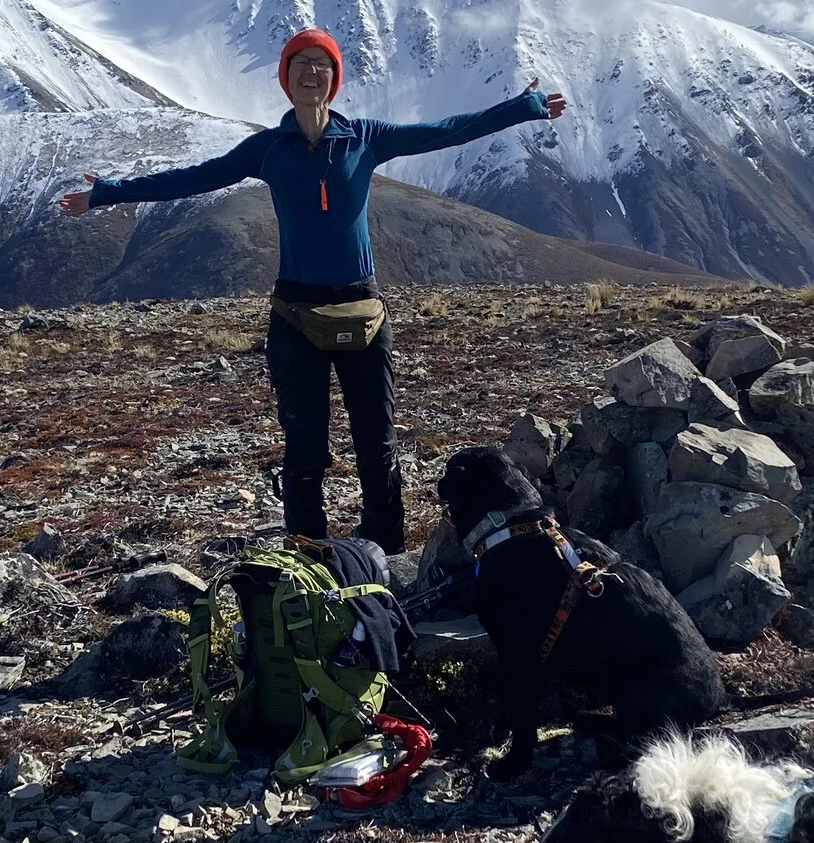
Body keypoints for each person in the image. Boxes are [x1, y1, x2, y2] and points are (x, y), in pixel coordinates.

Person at [59, 28, 568, 552]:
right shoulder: (267, 150)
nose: (310, 72)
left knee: (378, 445)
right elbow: (192, 178)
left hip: (363, 306)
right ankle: (307, 563)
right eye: (299, 63)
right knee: (305, 451)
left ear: (334, 78)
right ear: (286, 78)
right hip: (295, 314)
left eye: (321, 64)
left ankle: (387, 558)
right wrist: (105, 194)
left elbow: (447, 131)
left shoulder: (365, 137)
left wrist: (523, 107)